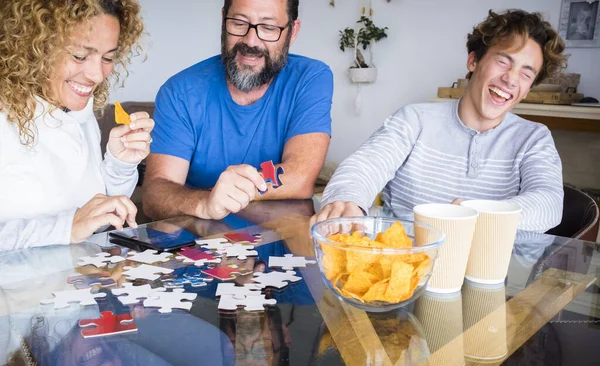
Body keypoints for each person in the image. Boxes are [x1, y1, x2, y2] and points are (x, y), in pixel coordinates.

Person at [313, 9, 568, 233]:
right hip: (406, 265)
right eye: (503, 61)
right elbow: (365, 166)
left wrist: (474, 212)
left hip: (490, 275)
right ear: (473, 61)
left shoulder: (534, 137)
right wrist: (346, 199)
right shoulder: (414, 120)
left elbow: (549, 204)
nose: (511, 79)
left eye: (526, 73)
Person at [142, 0, 333, 222]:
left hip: (283, 243)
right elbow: (155, 195)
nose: (251, 41)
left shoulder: (310, 78)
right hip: (198, 245)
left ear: (292, 32)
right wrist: (205, 203)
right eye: (239, 23)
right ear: (223, 20)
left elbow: (300, 177)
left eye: (268, 28)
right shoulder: (180, 91)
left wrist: (237, 190)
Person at [0, 0, 153, 251]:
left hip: (82, 281)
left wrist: (120, 164)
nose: (97, 75)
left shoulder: (77, 109)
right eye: (79, 56)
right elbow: (74, 225)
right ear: (34, 45)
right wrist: (65, 227)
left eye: (108, 57)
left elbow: (96, 217)